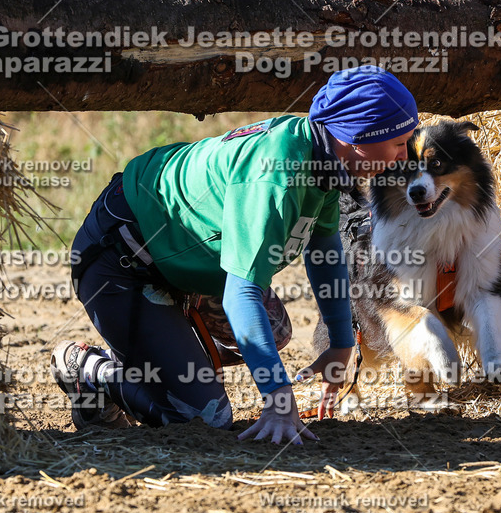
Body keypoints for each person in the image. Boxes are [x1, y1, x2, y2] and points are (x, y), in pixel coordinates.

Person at [50, 66, 419, 445]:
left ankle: (155, 354)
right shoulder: (274, 176)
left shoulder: (322, 156)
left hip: (178, 263)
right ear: (356, 138)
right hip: (120, 263)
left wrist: (341, 341)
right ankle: (90, 371)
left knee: (273, 329)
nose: (404, 156)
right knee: (204, 417)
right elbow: (239, 295)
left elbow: (323, 248)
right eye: (398, 143)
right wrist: (278, 402)